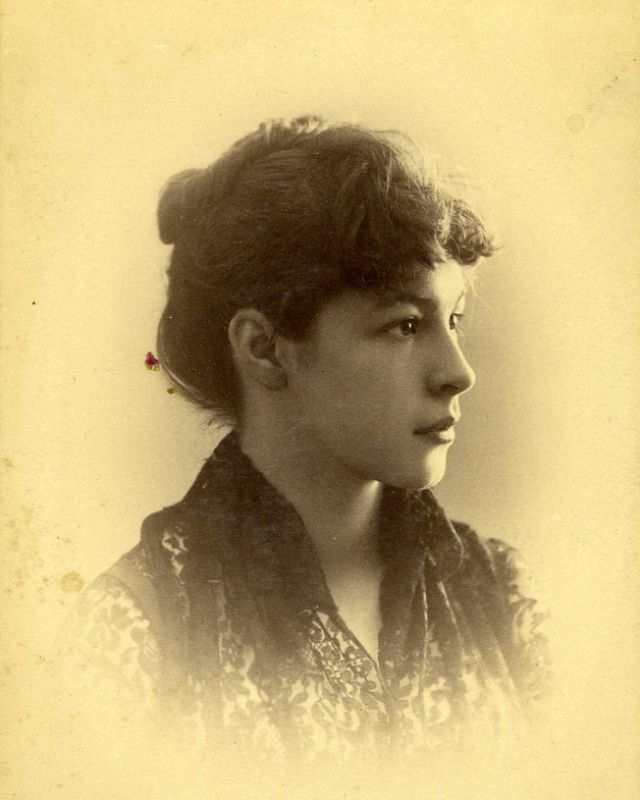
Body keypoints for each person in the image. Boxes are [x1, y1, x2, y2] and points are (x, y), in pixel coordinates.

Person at [61, 116, 550, 766]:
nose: (458, 373)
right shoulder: (135, 630)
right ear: (265, 349)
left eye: (454, 319)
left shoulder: (501, 594)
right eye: (405, 325)